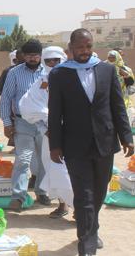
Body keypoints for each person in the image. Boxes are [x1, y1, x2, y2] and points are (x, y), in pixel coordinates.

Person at [48, 28, 134, 256]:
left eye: (88, 47)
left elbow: (118, 106)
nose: (85, 51)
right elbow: (55, 113)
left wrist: (127, 137)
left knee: (99, 192)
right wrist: (54, 144)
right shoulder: (59, 74)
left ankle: (92, 227)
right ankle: (86, 246)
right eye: (80, 47)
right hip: (75, 145)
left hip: (105, 142)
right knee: (84, 196)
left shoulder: (106, 70)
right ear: (71, 49)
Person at [18, 46, 73, 219]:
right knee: (55, 170)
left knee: (74, 171)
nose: (52, 64)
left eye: (56, 60)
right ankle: (62, 204)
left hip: (74, 135)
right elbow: (28, 107)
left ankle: (79, 208)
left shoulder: (73, 78)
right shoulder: (42, 83)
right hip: (51, 137)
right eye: (48, 61)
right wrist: (46, 128)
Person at [0, 39, 51, 212]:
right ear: (23, 56)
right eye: (29, 55)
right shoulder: (14, 73)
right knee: (23, 159)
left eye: (36, 55)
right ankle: (18, 197)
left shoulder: (49, 72)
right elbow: (6, 98)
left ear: (40, 55)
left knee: (45, 159)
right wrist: (7, 123)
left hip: (45, 123)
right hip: (22, 123)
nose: (33, 58)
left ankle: (42, 191)